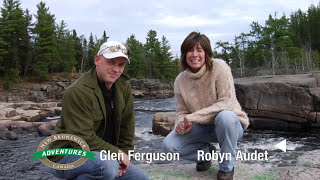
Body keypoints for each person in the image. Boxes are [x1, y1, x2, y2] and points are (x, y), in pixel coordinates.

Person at [48, 41, 149, 180]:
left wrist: (124, 157)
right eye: (111, 62)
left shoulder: (123, 87)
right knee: (106, 166)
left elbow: (127, 129)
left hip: (100, 155)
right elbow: (81, 139)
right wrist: (116, 154)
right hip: (64, 155)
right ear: (97, 60)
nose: (116, 69)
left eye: (121, 65)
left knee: (140, 178)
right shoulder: (78, 92)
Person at [162, 32, 249, 180]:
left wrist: (192, 117)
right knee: (168, 146)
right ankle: (205, 153)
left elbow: (226, 103)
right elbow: (182, 111)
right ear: (184, 54)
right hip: (202, 128)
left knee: (225, 116)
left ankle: (226, 168)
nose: (194, 54)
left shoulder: (219, 67)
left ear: (206, 53)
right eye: (190, 50)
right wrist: (181, 123)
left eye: (199, 50)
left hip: (229, 126)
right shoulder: (180, 80)